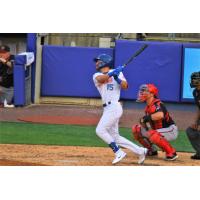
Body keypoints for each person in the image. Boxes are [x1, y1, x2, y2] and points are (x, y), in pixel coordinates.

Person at [93, 54, 147, 165]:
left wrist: (117, 77)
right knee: (115, 137)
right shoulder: (96, 75)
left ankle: (118, 152)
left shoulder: (118, 73)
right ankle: (141, 151)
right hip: (107, 108)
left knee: (100, 130)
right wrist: (112, 73)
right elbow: (102, 79)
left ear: (105, 62)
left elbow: (125, 86)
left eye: (98, 61)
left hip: (114, 107)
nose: (96, 63)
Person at [132, 84, 179, 161]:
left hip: (170, 130)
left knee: (153, 134)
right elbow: (146, 122)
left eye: (145, 91)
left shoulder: (157, 103)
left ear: (152, 94)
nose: (142, 93)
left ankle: (172, 153)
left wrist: (145, 118)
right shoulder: (148, 107)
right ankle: (151, 150)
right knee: (136, 129)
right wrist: (143, 131)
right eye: (142, 91)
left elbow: (160, 115)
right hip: (158, 132)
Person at [186, 71, 200, 160]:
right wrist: (196, 122)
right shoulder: (195, 92)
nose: (193, 81)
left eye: (196, 79)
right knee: (190, 131)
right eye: (193, 79)